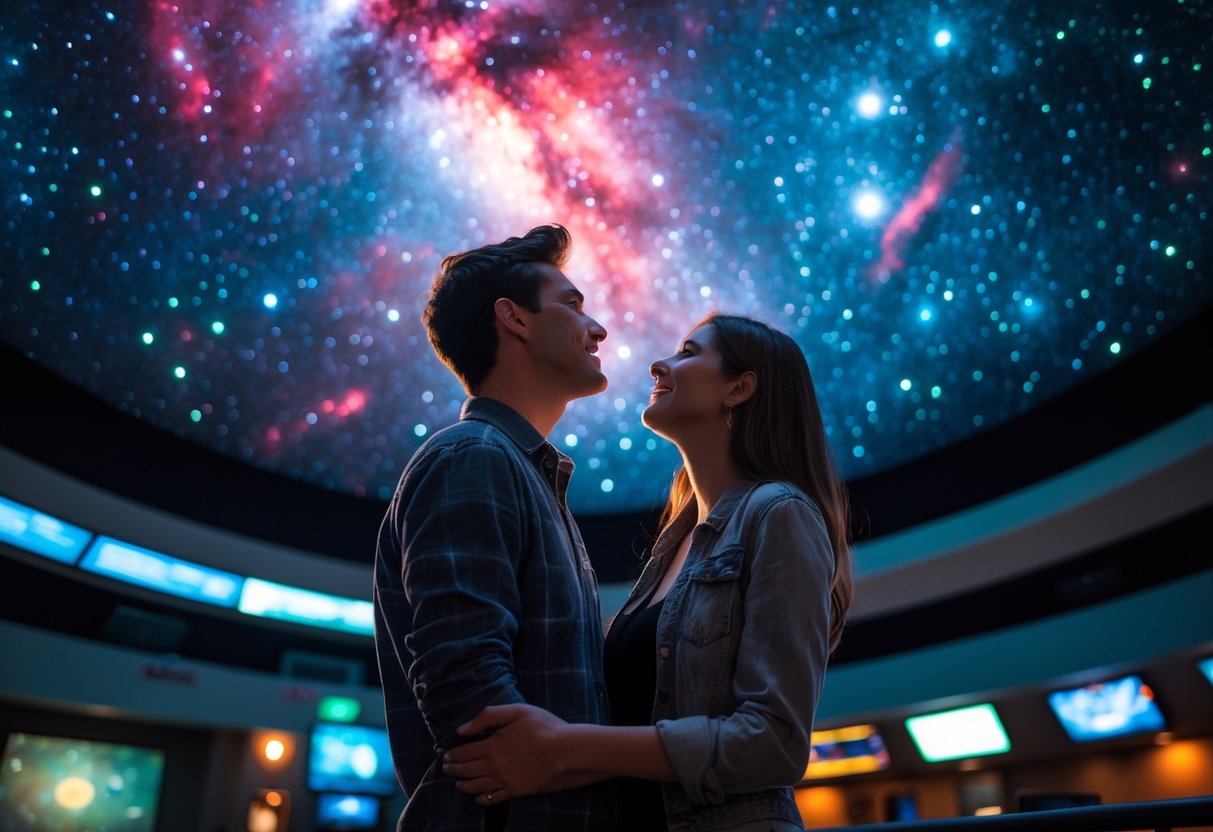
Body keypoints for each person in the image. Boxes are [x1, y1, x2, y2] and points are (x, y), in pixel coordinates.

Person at [442, 312, 855, 831]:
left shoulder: (779, 513)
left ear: (740, 388)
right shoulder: (676, 540)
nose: (659, 364)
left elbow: (775, 744)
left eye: (688, 352)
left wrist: (564, 748)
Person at [373, 224, 617, 832]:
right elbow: (472, 688)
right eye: (572, 304)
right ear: (515, 319)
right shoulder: (474, 457)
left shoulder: (516, 469)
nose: (597, 329)